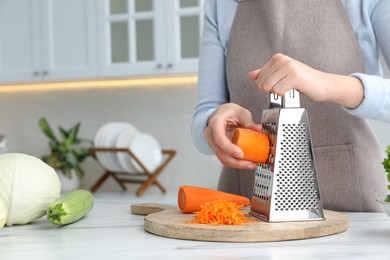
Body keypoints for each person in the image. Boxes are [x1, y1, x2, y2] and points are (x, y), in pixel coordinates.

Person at [191, 0, 390, 212]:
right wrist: (214, 124)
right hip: (250, 211)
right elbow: (203, 119)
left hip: (355, 208)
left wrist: (329, 84)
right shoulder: (219, 4)